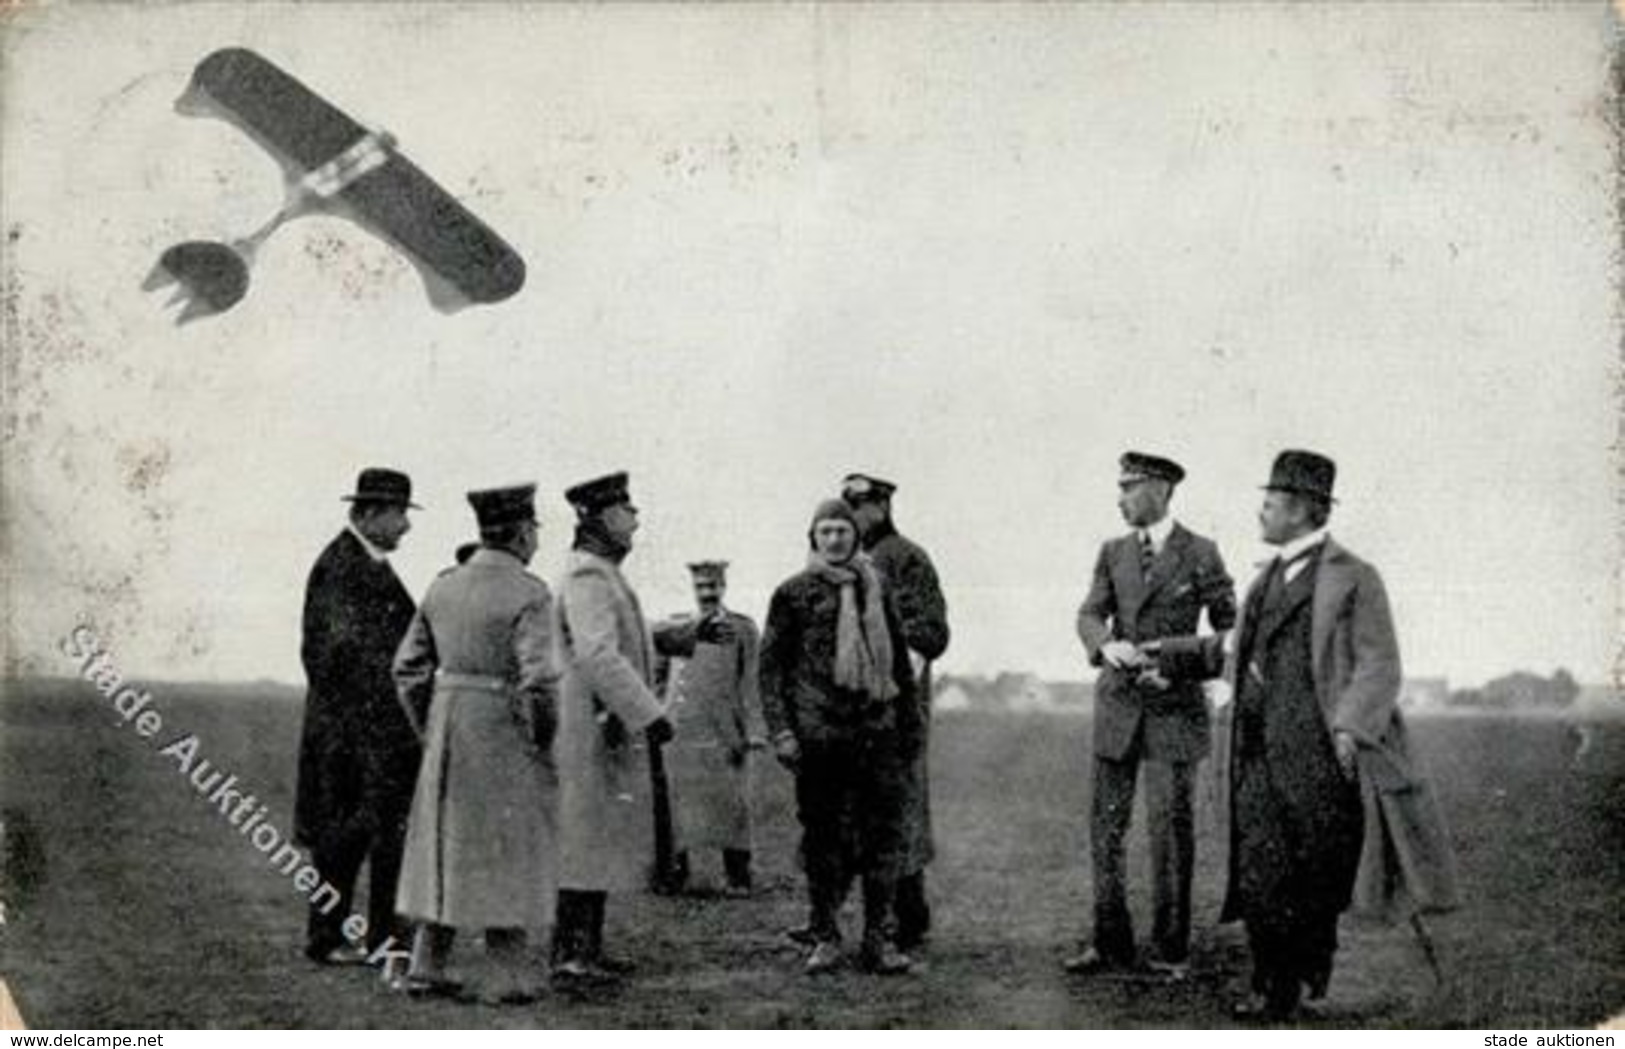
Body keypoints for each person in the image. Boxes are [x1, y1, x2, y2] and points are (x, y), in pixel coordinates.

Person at [1152, 450, 1459, 1020]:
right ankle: (1273, 984)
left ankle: (1298, 979)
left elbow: (1379, 665)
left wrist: (1349, 727)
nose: (1259, 515)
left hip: (1321, 756)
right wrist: (1167, 656)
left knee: (1314, 879)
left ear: (1300, 511)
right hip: (1252, 754)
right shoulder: (1263, 580)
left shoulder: (1355, 577)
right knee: (1261, 874)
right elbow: (1230, 650)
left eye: (1268, 505)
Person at [390, 483, 560, 1005]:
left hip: (447, 725)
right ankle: (507, 974)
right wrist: (541, 739)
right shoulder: (529, 592)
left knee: (445, 842)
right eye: (533, 532)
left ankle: (426, 964)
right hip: (502, 728)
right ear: (523, 532)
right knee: (503, 843)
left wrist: (432, 725)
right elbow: (540, 681)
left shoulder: (443, 586)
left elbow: (408, 668)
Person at [1068, 452, 1236, 979]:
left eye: (1129, 486)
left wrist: (1179, 663)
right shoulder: (1112, 551)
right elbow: (1090, 612)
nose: (1119, 497)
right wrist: (1106, 646)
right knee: (1107, 829)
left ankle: (1171, 949)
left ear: (1160, 490)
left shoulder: (1202, 552)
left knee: (1171, 831)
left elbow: (1233, 633)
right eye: (1119, 486)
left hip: (1175, 708)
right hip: (1117, 704)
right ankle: (1109, 942)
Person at [760, 498, 921, 976]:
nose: (834, 540)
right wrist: (782, 732)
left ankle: (878, 940)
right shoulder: (792, 593)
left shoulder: (878, 587)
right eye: (825, 532)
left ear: (855, 537)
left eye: (842, 531)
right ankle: (825, 935)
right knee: (824, 839)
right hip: (819, 738)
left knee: (882, 839)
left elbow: (898, 666)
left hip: (876, 734)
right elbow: (771, 671)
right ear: (813, 538)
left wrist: (910, 725)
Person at [550, 471, 679, 986]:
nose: (635, 518)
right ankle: (570, 956)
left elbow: (622, 638)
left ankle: (588, 950)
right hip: (588, 730)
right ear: (599, 518)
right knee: (582, 839)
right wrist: (650, 713)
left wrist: (674, 637)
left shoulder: (600, 573)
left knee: (595, 837)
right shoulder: (588, 577)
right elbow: (599, 653)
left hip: (600, 727)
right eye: (626, 509)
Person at [293, 467, 421, 966]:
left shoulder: (358, 563)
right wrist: (389, 712)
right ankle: (333, 937)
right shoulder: (343, 567)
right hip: (354, 732)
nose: (405, 527)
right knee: (345, 835)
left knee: (357, 833)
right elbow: (335, 654)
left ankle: (373, 938)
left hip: (360, 729)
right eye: (398, 515)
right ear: (367, 514)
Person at [840, 473, 949, 951]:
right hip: (850, 711)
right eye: (847, 505)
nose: (852, 515)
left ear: (881, 507)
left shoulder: (907, 557)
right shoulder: (842, 562)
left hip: (896, 711)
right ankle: (883, 918)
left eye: (860, 506)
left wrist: (891, 678)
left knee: (899, 809)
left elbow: (932, 632)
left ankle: (907, 918)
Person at [653, 561, 767, 895]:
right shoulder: (676, 627)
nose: (707, 593)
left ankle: (738, 875)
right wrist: (657, 715)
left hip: (723, 727)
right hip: (681, 726)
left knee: (731, 800)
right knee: (678, 801)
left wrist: (754, 729)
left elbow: (751, 681)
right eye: (701, 587)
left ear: (723, 587)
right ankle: (675, 873)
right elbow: (658, 679)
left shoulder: (742, 629)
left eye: (713, 586)